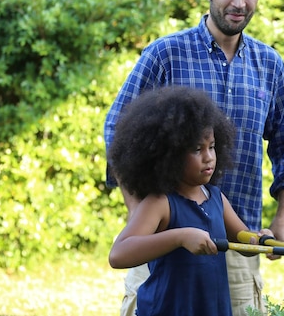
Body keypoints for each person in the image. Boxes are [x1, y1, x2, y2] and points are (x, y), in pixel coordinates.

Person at [104, 0, 284, 316]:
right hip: (165, 245)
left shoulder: (270, 65)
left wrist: (280, 219)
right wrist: (141, 214)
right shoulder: (166, 54)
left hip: (239, 241)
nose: (239, 3)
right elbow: (117, 128)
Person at [108, 86, 273, 316]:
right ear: (169, 154)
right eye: (197, 149)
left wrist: (261, 240)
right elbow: (118, 255)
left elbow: (243, 238)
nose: (209, 157)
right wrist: (180, 237)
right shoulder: (160, 202)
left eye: (212, 147)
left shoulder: (215, 197)